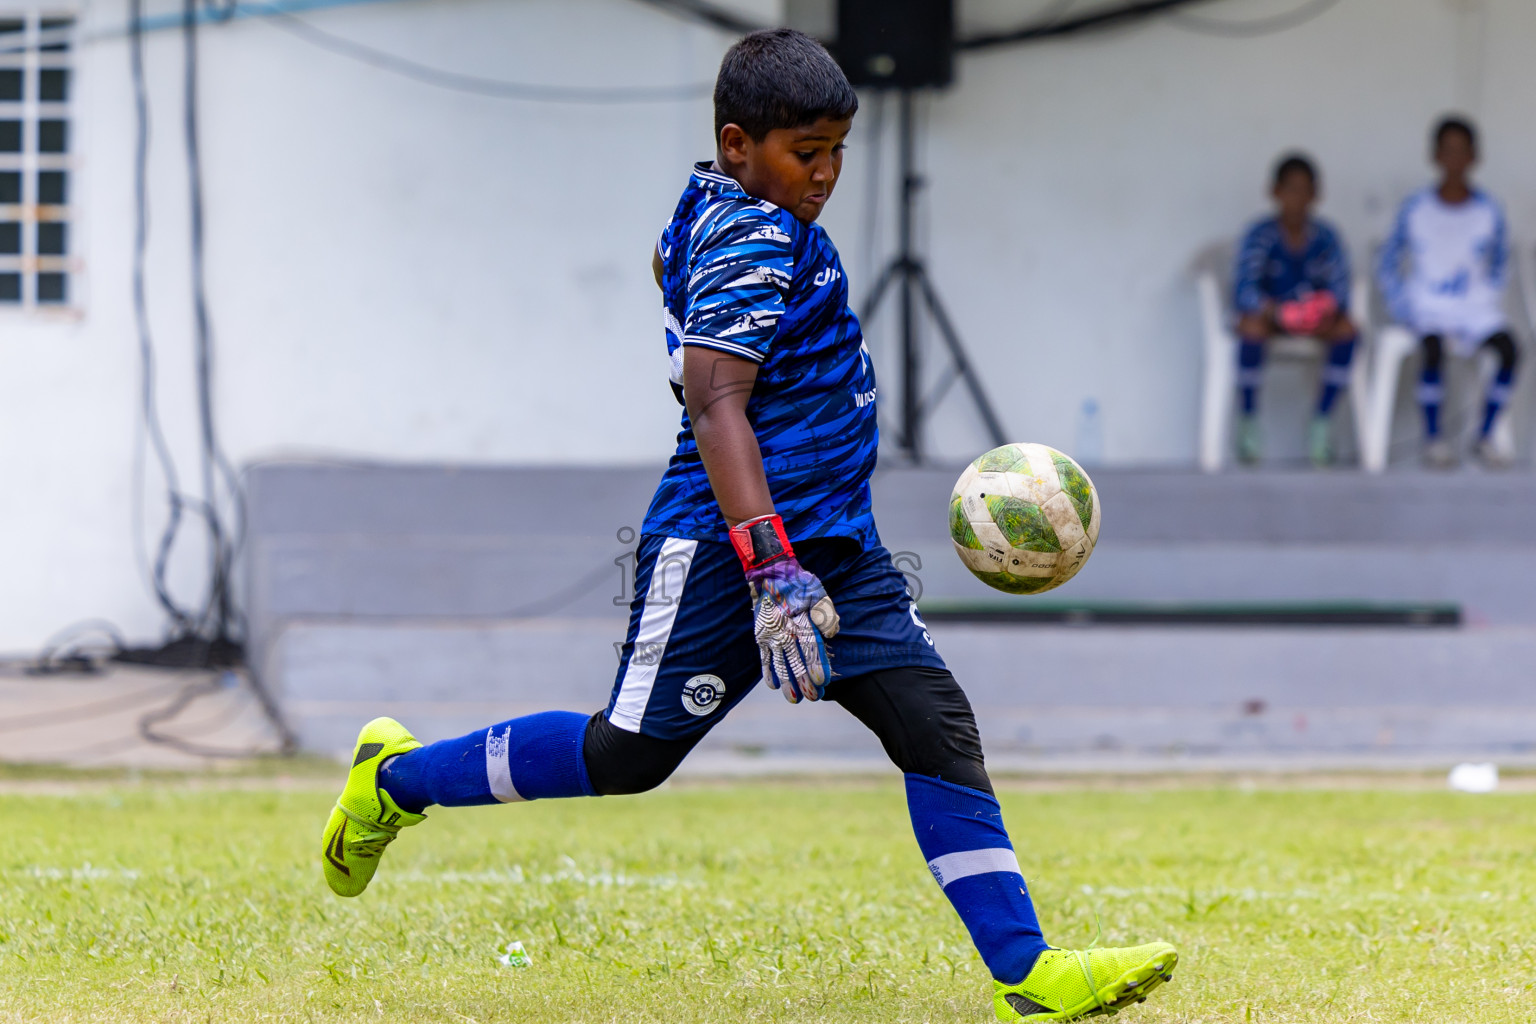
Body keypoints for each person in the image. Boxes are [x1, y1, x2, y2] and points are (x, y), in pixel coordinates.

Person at [318, 28, 1178, 1024]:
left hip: (837, 550)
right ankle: (396, 780)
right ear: (738, 144)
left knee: (935, 728)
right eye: (803, 152)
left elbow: (664, 261)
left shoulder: (718, 205)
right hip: (731, 554)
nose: (825, 174)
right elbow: (715, 398)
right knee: (622, 758)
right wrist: (769, 567)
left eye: (836, 152)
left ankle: (1028, 977)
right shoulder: (756, 233)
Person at [1377, 116, 1518, 469]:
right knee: (1432, 347)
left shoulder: (1488, 210)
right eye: (1448, 151)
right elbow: (1388, 261)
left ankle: (1484, 435)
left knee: (1509, 349)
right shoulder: (1416, 208)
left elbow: (1501, 262)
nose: (1455, 160)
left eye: (1462, 152)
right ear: (1435, 156)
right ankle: (1434, 439)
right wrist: (1403, 306)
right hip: (1427, 306)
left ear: (1474, 157)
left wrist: (1484, 298)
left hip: (1473, 307)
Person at [1231, 153, 1360, 466]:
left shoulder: (1327, 237)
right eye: (1290, 189)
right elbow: (1244, 290)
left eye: (1304, 190)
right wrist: (1274, 312)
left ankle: (1321, 423)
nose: (1297, 198)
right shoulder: (1260, 235)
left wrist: (1321, 313)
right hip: (1272, 319)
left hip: (1316, 323)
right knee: (1249, 327)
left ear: (1316, 195)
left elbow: (1340, 289)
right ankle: (1247, 422)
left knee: (1348, 330)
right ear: (1274, 192)